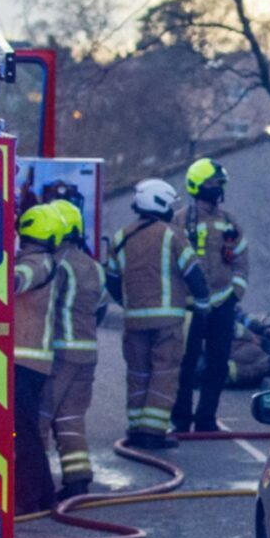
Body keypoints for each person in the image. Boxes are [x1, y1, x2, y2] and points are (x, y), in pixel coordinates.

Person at [107, 178, 208, 450]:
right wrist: (203, 302)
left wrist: (128, 302)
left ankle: (136, 428)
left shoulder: (120, 237)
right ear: (160, 202)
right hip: (167, 321)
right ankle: (153, 432)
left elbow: (112, 280)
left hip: (133, 319)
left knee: (138, 373)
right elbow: (193, 273)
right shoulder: (172, 234)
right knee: (164, 372)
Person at [175, 158, 245, 434]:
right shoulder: (180, 221)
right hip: (190, 307)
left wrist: (235, 293)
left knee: (217, 364)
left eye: (220, 184)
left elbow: (242, 258)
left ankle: (206, 419)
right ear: (198, 186)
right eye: (213, 184)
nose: (218, 189)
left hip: (222, 303)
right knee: (186, 364)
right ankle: (180, 419)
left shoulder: (229, 221)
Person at [45, 199, 107, 498]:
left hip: (58, 352)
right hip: (87, 352)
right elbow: (102, 307)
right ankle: (77, 481)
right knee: (71, 418)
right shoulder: (93, 265)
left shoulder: (57, 263)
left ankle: (34, 485)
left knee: (40, 418)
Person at [10, 202, 65, 514]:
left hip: (25, 362)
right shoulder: (40, 259)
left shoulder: (38, 263)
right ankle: (44, 496)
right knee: (26, 429)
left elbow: (15, 282)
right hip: (29, 361)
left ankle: (28, 500)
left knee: (25, 433)